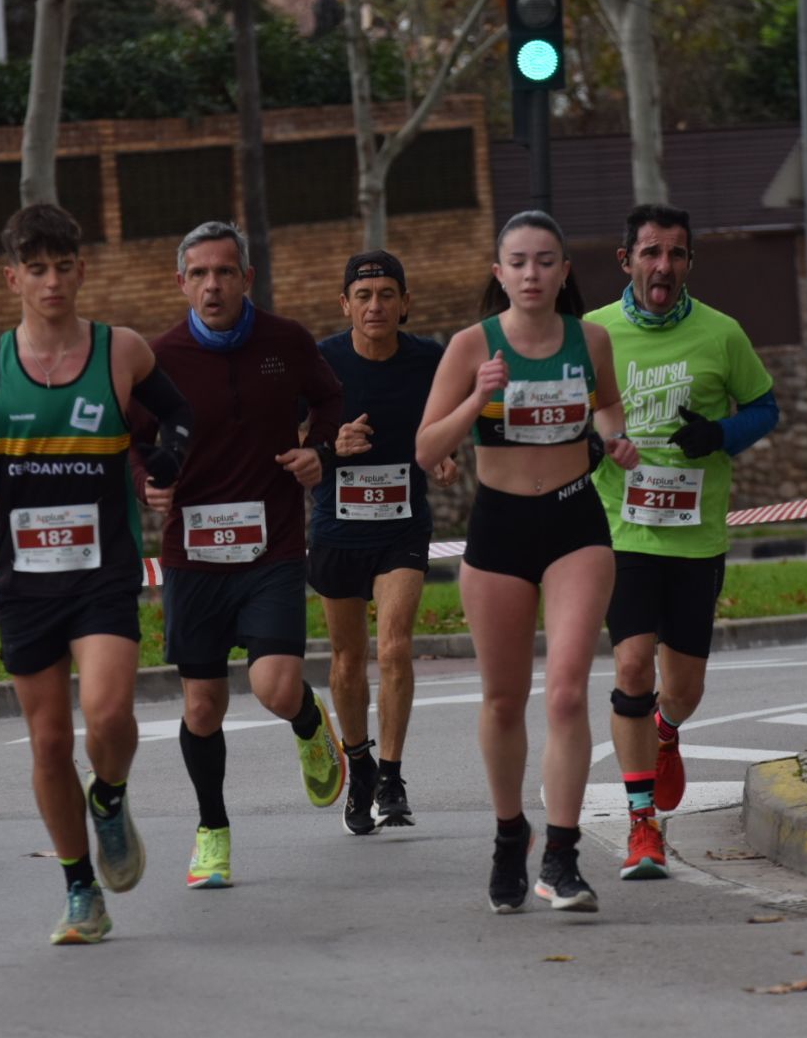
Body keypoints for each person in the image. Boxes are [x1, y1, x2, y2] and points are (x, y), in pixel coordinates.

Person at [0, 203, 193, 945]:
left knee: (110, 715)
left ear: (80, 271)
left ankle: (109, 798)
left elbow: (176, 418)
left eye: (63, 267)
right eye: (36, 269)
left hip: (101, 572)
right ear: (13, 276)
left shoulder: (121, 353)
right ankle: (81, 891)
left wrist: (166, 459)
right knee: (50, 742)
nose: (51, 282)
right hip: (25, 581)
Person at [416, 210, 638, 914]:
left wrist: (618, 439)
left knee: (568, 691)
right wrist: (477, 398)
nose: (533, 274)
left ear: (565, 271)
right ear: (499, 273)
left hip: (575, 521)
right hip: (500, 528)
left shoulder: (591, 340)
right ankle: (511, 833)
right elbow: (425, 449)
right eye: (519, 261)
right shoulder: (470, 347)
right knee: (504, 699)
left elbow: (607, 411)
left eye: (546, 261)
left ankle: (563, 858)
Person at [131, 220, 346, 889]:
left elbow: (333, 400)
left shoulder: (285, 342)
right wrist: (148, 482)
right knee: (202, 709)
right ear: (181, 283)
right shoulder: (158, 356)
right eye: (199, 274)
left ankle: (310, 724)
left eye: (224, 272)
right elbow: (132, 435)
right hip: (193, 555)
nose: (213, 285)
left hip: (271, 546)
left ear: (246, 278)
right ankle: (212, 832)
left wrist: (321, 451)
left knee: (275, 685)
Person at [585, 203, 778, 881]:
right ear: (626, 261)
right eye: (650, 253)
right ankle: (643, 826)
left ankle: (666, 733)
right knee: (633, 667)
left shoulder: (722, 335)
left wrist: (719, 435)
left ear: (689, 263)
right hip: (622, 528)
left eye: (675, 254)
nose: (662, 266)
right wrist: (592, 446)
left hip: (696, 535)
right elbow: (565, 416)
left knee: (684, 688)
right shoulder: (594, 334)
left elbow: (764, 406)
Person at [310, 250, 456, 836]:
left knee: (394, 647)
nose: (376, 306)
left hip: (401, 523)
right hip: (337, 527)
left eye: (387, 295)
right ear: (345, 304)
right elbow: (290, 439)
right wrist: (329, 443)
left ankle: (392, 777)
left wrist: (445, 451)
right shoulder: (321, 362)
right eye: (364, 296)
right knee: (347, 659)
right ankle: (361, 761)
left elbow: (448, 420)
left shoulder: (430, 360)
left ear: (405, 303)